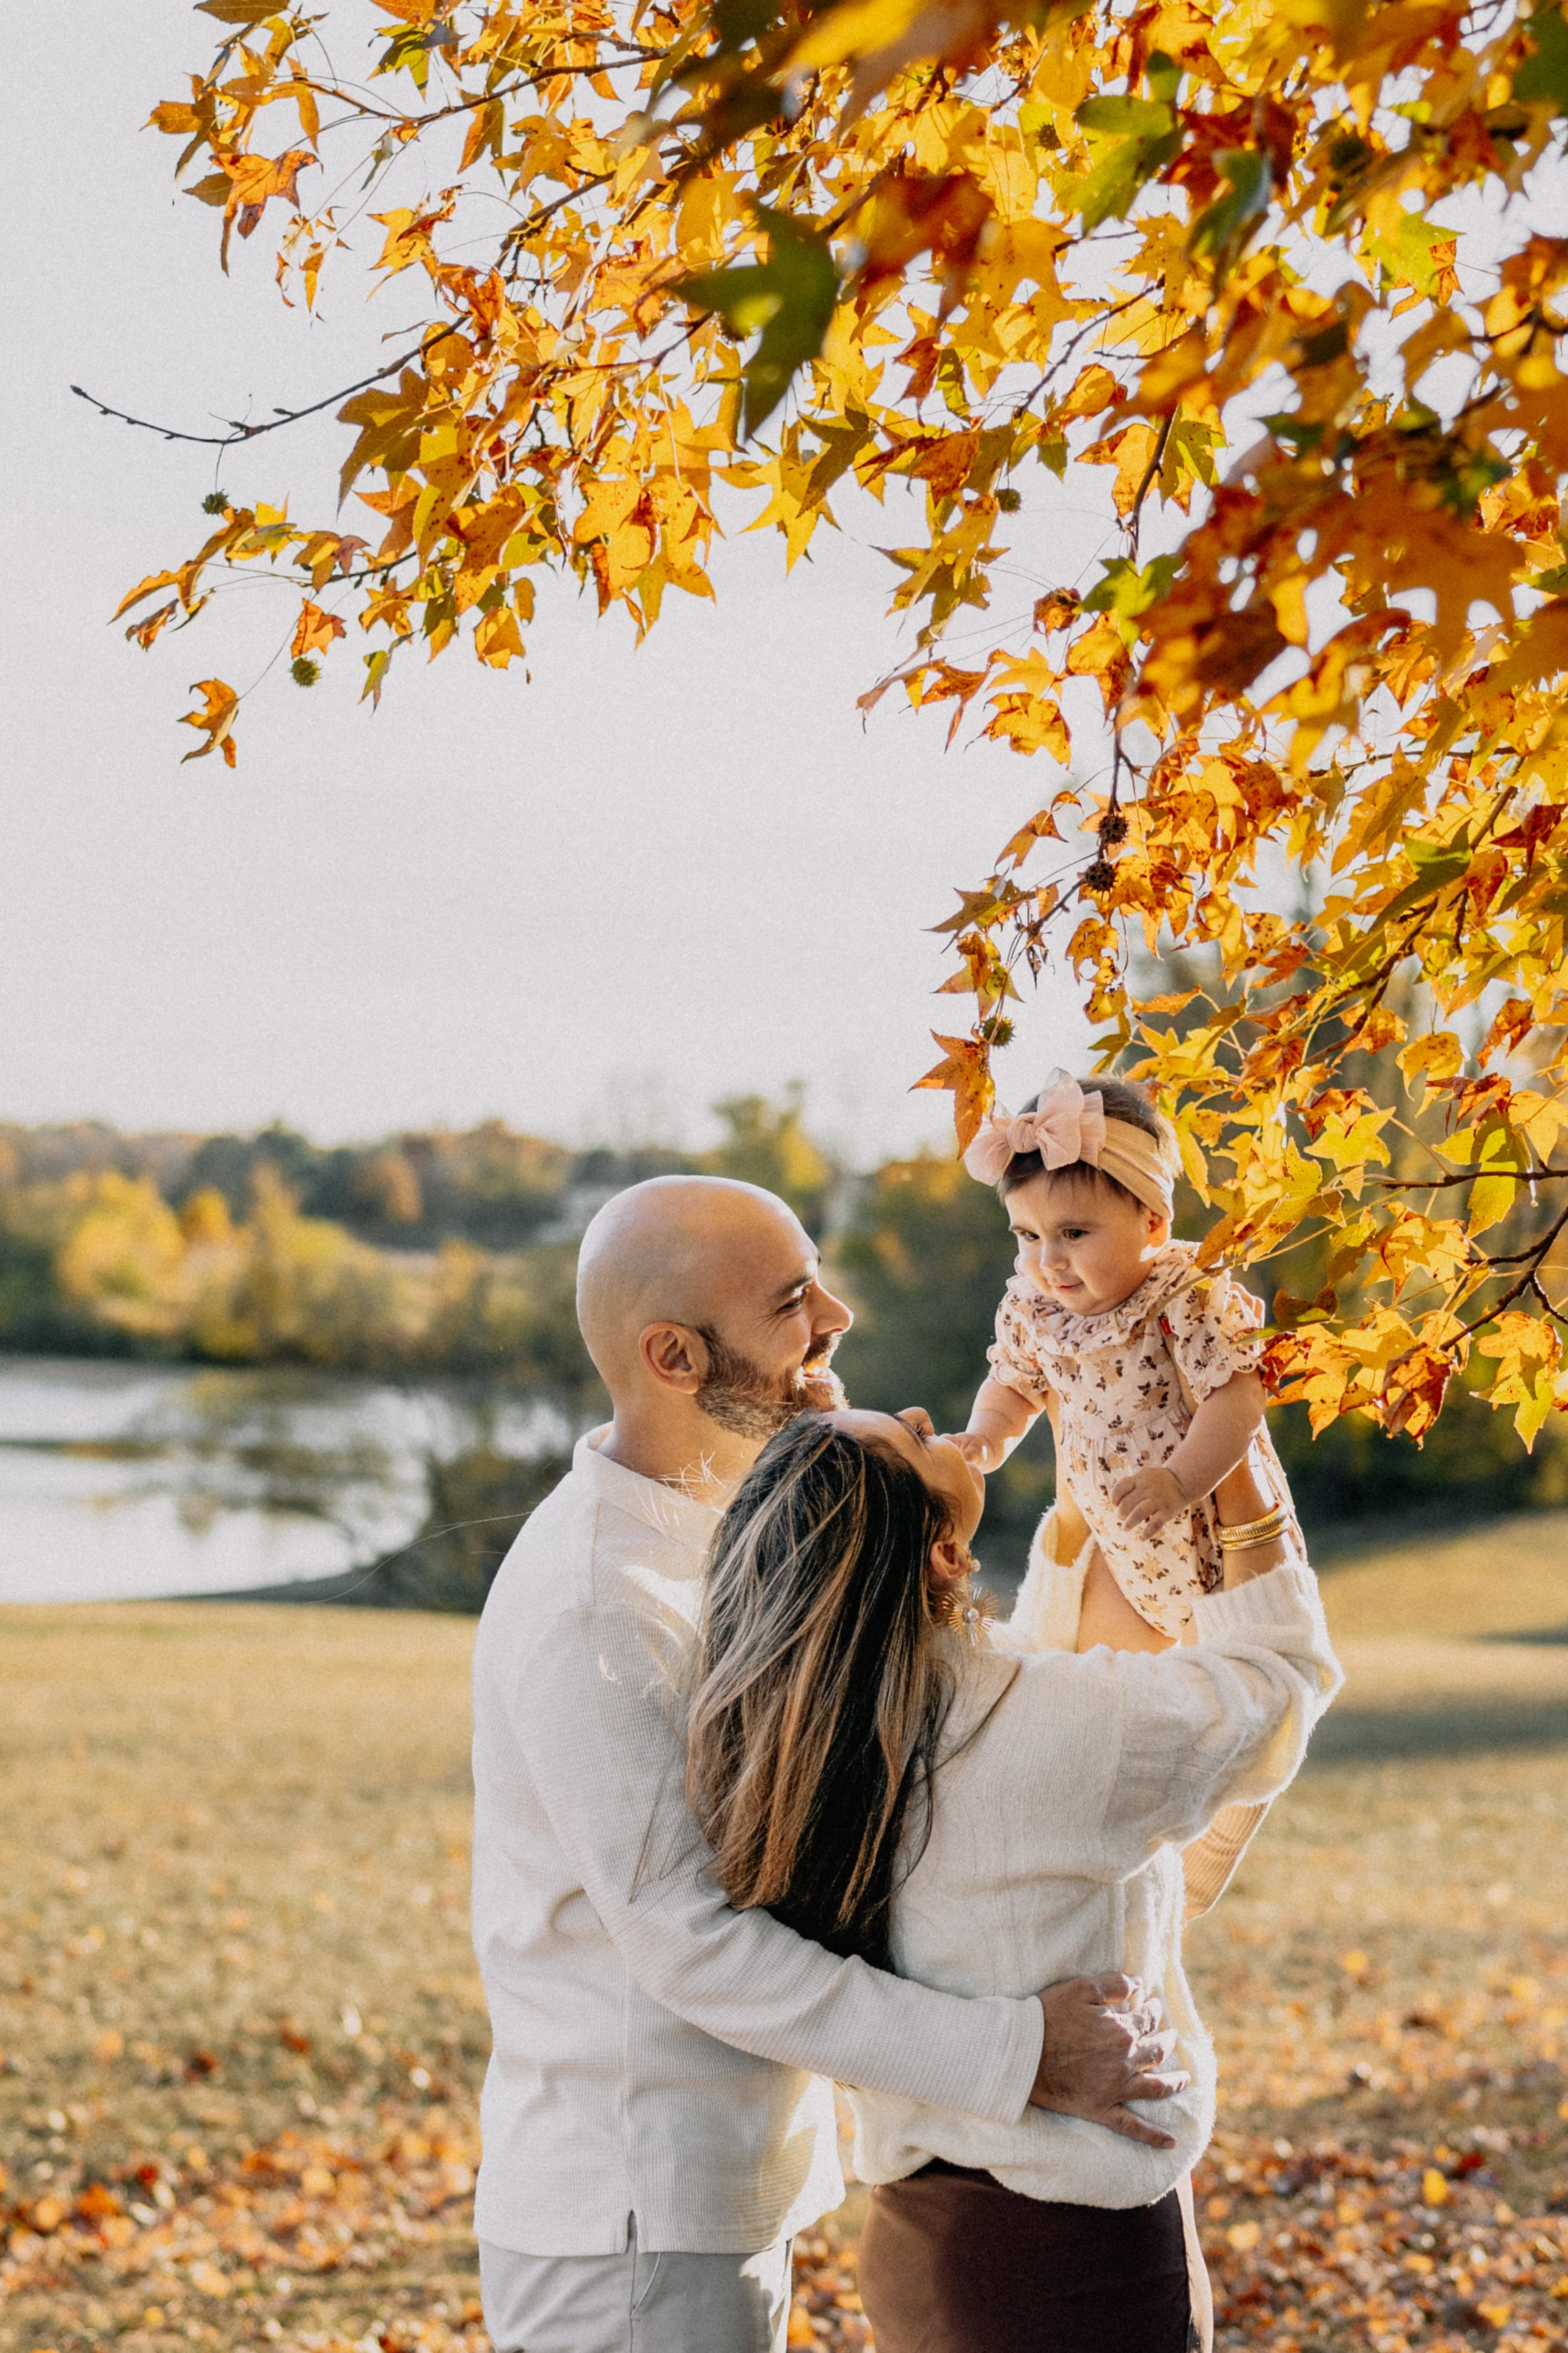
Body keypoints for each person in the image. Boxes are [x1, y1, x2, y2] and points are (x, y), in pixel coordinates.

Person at [470, 1175, 1187, 2353]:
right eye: (793, 1298)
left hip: (714, 2192)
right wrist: (1015, 2054)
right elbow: (686, 1940)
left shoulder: (737, 1533)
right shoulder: (597, 1603)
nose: (837, 1317)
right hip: (629, 2217)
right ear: (675, 1355)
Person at [687, 1407, 1343, 2353]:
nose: (921, 1414)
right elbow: (1279, 1680)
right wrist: (1235, 1472)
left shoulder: (837, 1738)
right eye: (910, 1441)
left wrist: (1078, 1520)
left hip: (926, 2242)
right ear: (943, 1559)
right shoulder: (1034, 1732)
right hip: (1065, 2255)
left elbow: (1024, 1707)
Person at [954, 1071, 1297, 1639]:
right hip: (1119, 1549)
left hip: (1209, 1537)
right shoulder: (1032, 1309)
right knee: (1120, 1684)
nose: (1049, 1261)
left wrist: (1180, 1480)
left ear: (1153, 1223)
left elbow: (1236, 1398)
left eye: (1073, 1233)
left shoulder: (1186, 1296)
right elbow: (1013, 1385)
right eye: (1029, 1236)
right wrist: (986, 1435)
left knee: (1216, 1678)